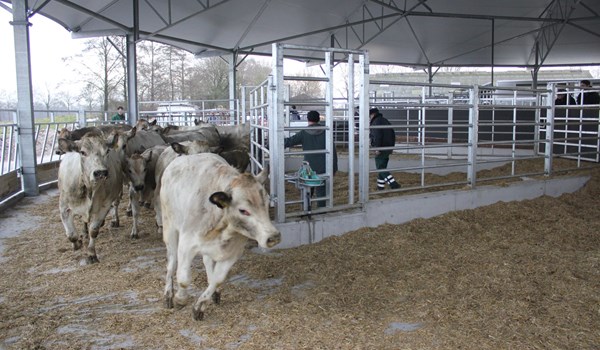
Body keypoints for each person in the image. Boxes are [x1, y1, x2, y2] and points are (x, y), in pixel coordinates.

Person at [284, 110, 338, 207]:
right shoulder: (326, 132)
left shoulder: (304, 133)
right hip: (324, 167)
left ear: (308, 119)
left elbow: (289, 142)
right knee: (321, 191)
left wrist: (277, 139)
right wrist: (334, 168)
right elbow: (333, 151)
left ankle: (307, 210)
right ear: (319, 119)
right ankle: (321, 211)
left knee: (307, 190)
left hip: (309, 169)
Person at [369, 107, 400, 190]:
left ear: (372, 114)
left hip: (382, 147)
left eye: (369, 115)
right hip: (388, 147)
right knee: (382, 167)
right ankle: (380, 186)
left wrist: (377, 148)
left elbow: (377, 136)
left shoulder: (376, 122)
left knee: (380, 168)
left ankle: (393, 184)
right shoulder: (384, 120)